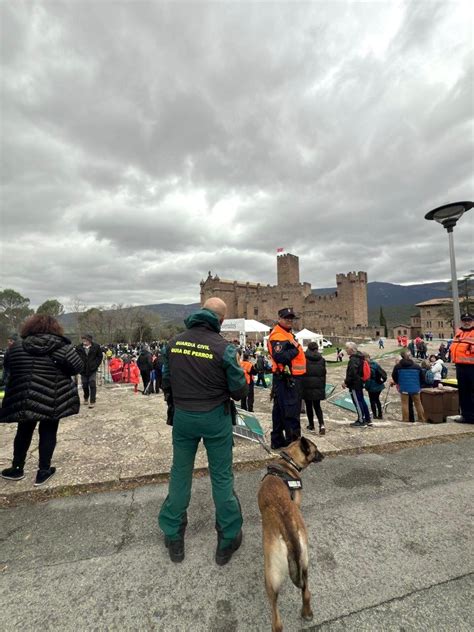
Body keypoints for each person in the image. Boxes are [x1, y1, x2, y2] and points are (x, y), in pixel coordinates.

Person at [158, 297, 247, 566]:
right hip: (214, 416)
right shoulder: (224, 348)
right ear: (220, 320)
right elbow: (239, 391)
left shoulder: (172, 344)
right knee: (221, 476)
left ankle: (173, 533)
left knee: (180, 472)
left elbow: (166, 382)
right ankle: (228, 537)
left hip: (184, 415)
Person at [0, 315, 83, 485]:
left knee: (23, 431)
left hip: (24, 397)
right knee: (48, 432)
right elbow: (77, 367)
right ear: (55, 328)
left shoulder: (16, 347)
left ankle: (17, 468)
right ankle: (43, 471)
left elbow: (8, 369)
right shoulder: (62, 347)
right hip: (53, 396)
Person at [267, 307, 306, 449]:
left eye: (291, 318)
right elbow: (280, 357)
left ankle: (277, 441)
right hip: (287, 379)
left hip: (286, 378)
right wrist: (296, 350)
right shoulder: (278, 335)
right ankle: (294, 447)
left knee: (279, 411)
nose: (289, 320)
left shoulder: (286, 333)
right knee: (291, 413)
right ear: (279, 319)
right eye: (286, 318)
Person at [449, 313, 474, 424]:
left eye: (469, 320)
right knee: (463, 392)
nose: (466, 322)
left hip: (472, 368)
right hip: (460, 367)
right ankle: (466, 415)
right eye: (464, 320)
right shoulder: (458, 334)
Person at [342, 342, 372, 427]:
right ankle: (367, 418)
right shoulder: (360, 358)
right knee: (361, 400)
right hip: (359, 382)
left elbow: (352, 374)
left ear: (351, 350)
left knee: (358, 402)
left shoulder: (353, 360)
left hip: (355, 384)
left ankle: (361, 420)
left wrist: (346, 382)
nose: (346, 350)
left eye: (346, 348)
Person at [391, 349, 425, 422]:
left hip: (404, 387)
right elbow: (422, 377)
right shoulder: (417, 366)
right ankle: (421, 419)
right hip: (415, 387)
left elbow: (394, 376)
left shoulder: (398, 366)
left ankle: (405, 420)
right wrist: (420, 385)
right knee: (418, 403)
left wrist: (398, 382)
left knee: (405, 404)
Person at [301, 341, 326, 435]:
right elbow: (324, 373)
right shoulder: (321, 359)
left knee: (309, 406)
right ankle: (322, 424)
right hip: (318, 385)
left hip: (307, 385)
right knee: (317, 406)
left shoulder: (304, 358)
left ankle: (311, 425)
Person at [75, 334, 103, 409]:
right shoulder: (78, 348)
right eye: (83, 339)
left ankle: (92, 401)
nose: (84, 341)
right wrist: (79, 365)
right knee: (85, 385)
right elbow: (76, 357)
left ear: (90, 340)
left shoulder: (96, 346)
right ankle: (86, 397)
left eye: (86, 340)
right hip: (83, 369)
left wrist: (96, 364)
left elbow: (100, 356)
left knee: (92, 383)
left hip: (92, 369)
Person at [363, 353, 387, 420]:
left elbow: (368, 379)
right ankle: (380, 415)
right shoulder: (375, 364)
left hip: (372, 386)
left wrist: (366, 387)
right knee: (377, 400)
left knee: (372, 401)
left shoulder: (367, 366)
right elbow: (383, 373)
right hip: (379, 385)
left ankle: (375, 415)